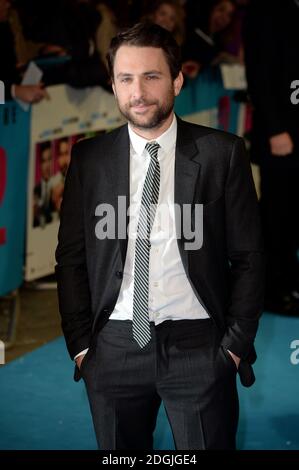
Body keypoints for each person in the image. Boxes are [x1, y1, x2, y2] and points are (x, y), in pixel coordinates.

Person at [55, 22, 264, 450]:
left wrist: (233, 346)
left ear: (177, 79)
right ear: (113, 85)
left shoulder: (221, 154)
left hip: (199, 346)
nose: (139, 92)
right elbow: (71, 259)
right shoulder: (89, 159)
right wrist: (81, 346)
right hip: (112, 346)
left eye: (151, 76)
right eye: (126, 78)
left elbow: (250, 256)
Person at [244, 0, 299, 314]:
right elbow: (261, 74)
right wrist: (276, 129)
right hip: (280, 133)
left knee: (292, 213)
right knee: (277, 214)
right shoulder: (265, 10)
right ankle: (270, 289)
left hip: (295, 130)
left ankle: (289, 278)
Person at [33, 142, 55, 227]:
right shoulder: (36, 189)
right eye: (43, 161)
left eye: (49, 160)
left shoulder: (59, 186)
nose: (46, 165)